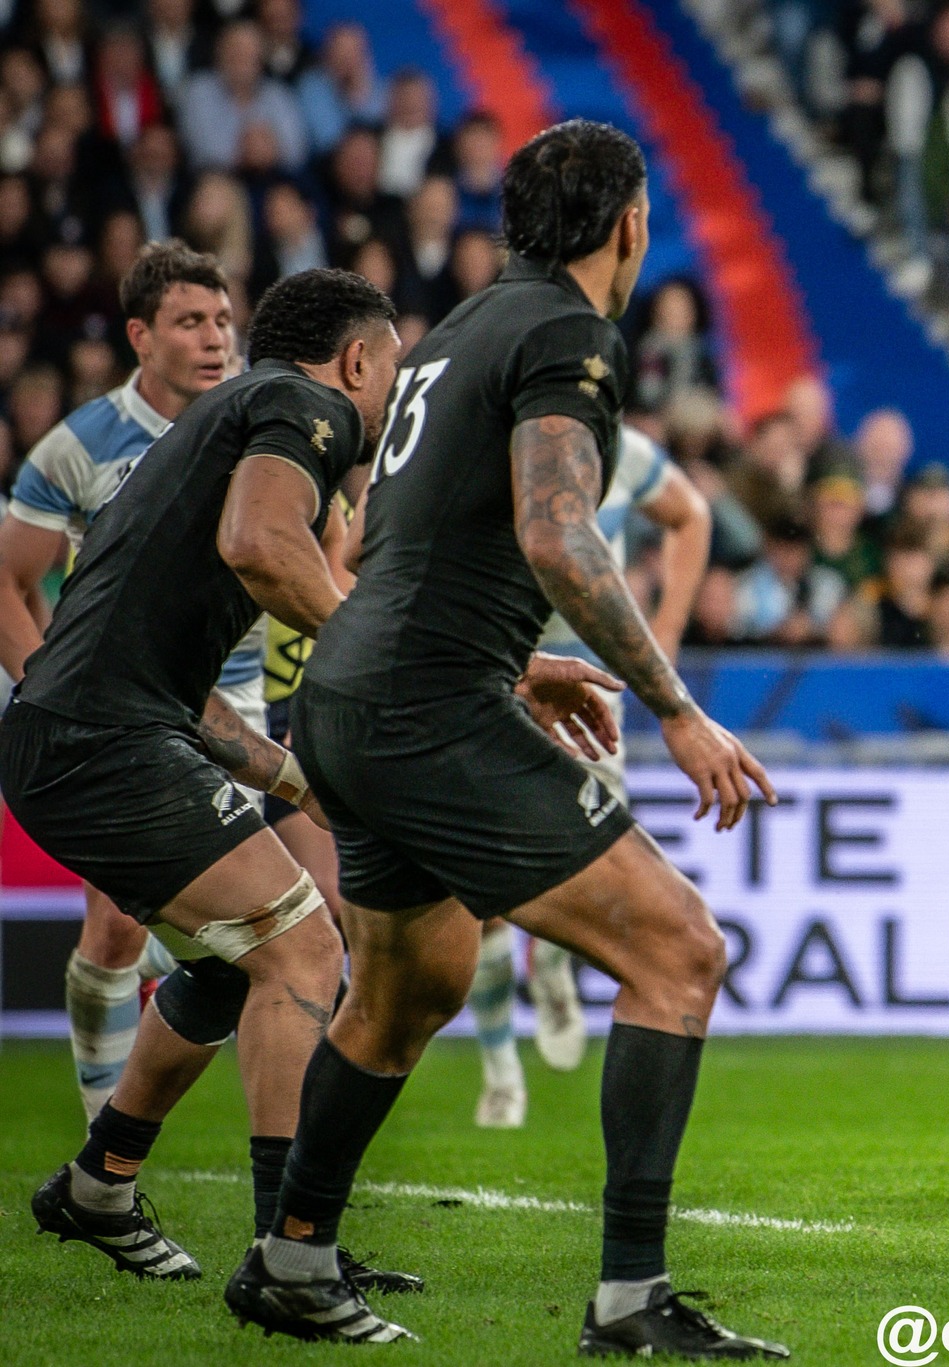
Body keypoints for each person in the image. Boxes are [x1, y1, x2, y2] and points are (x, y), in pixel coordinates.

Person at [240, 120, 786, 1359]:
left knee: (402, 989)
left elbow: (391, 534)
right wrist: (675, 707)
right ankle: (629, 1300)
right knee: (679, 951)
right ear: (631, 225)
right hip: (427, 705)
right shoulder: (570, 333)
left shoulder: (451, 335)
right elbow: (557, 531)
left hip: (350, 693)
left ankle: (291, 1257)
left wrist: (514, 658)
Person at [2, 269, 405, 1285]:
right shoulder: (304, 406)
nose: (394, 394)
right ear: (355, 360)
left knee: (234, 959)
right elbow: (265, 545)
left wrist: (306, 784)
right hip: (100, 743)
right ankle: (289, 1252)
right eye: (393, 367)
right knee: (304, 947)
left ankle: (97, 1184)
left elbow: (191, 697)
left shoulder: (221, 424)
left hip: (104, 731)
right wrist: (392, 662)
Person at [0, 243, 248, 1122]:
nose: (217, 339)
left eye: (223, 319)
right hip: (129, 718)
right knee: (118, 924)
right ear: (140, 336)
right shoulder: (82, 447)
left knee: (290, 928)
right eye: (191, 322)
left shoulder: (262, 419)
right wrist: (51, 687)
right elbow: (9, 574)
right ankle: (105, 1134)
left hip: (248, 708)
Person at [470, 423, 712, 1126]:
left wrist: (661, 633)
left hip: (589, 685)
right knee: (478, 891)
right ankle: (500, 1067)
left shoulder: (617, 448)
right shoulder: (482, 441)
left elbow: (691, 515)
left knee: (584, 860)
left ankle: (551, 965)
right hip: (490, 676)